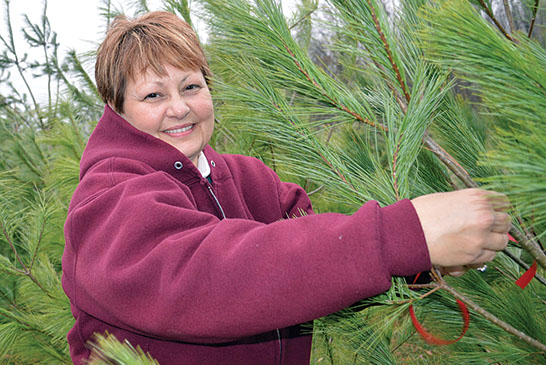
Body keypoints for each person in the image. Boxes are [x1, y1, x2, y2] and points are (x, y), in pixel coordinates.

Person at [61, 11, 511, 365]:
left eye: (191, 86)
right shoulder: (108, 198)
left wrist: (421, 259)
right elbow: (209, 277)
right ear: (117, 111)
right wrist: (401, 234)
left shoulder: (252, 178)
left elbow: (316, 269)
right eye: (154, 96)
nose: (180, 108)